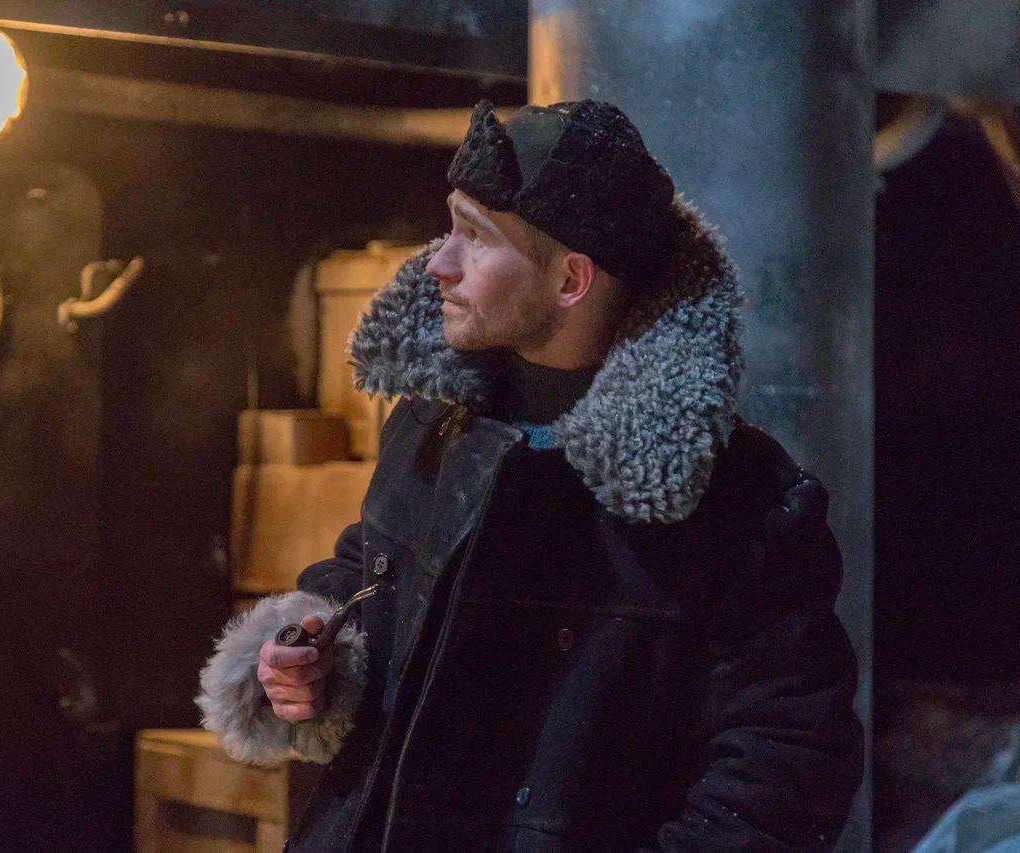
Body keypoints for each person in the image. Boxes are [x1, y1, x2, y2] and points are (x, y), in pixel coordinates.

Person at [196, 98, 865, 852]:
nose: (438, 262)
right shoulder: (435, 419)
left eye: (476, 238)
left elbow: (786, 760)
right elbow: (369, 570)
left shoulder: (742, 499)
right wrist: (315, 655)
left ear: (571, 280)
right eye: (450, 225)